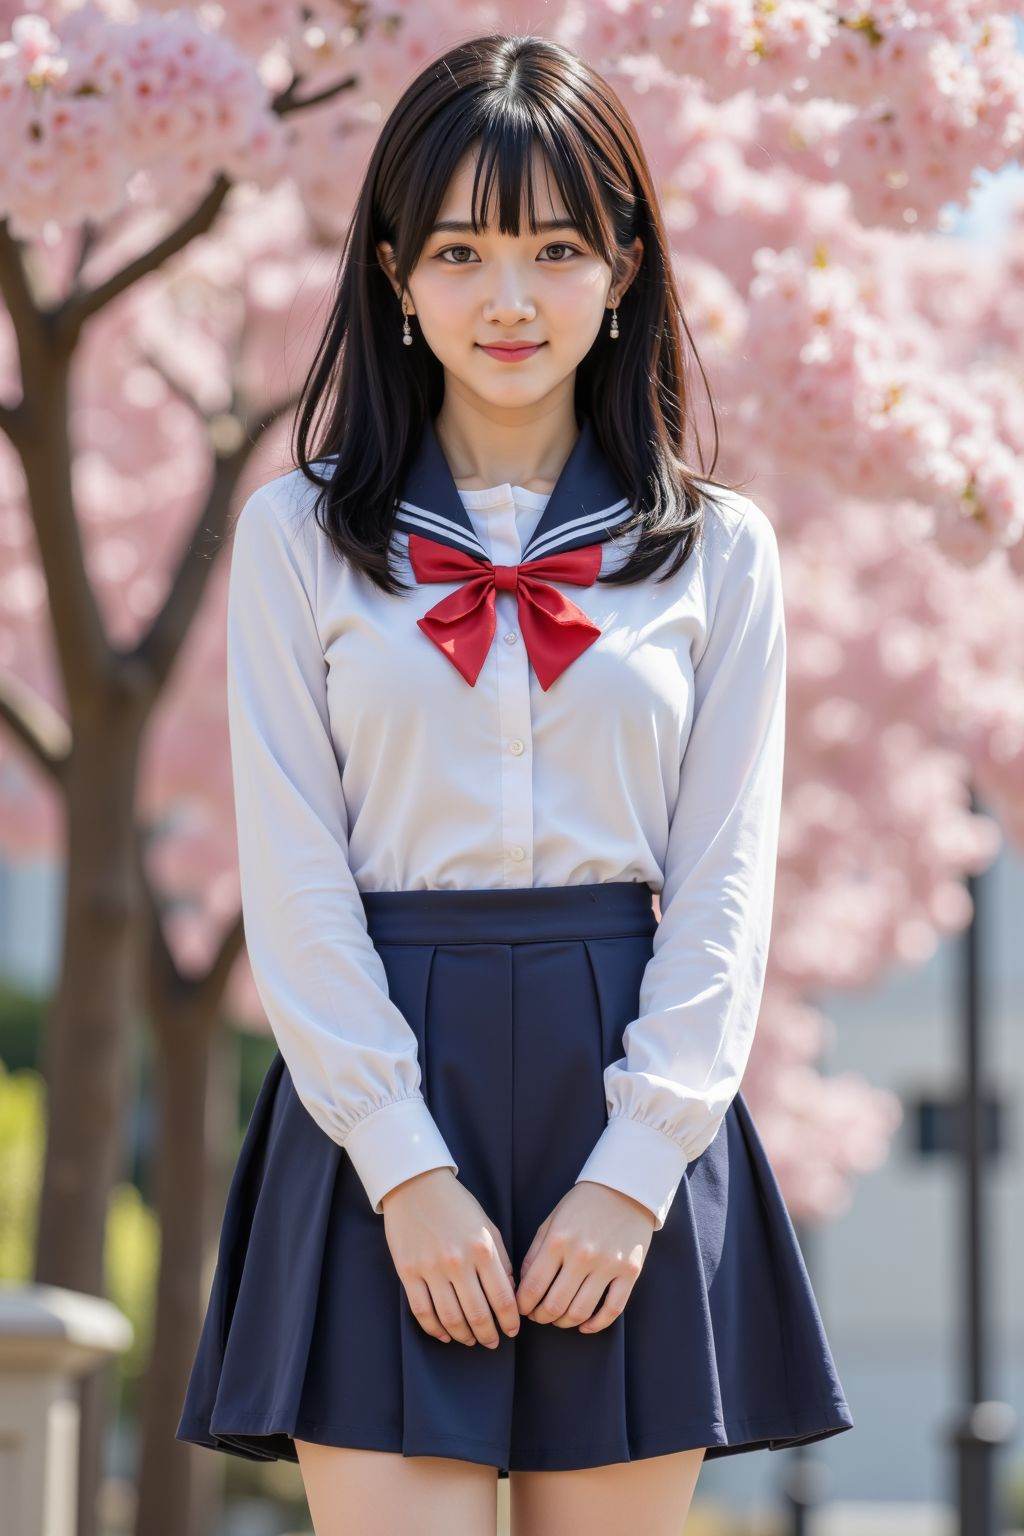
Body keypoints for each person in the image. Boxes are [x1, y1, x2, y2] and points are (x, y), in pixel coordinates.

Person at [176, 31, 853, 1535]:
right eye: (465, 249)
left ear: (623, 270)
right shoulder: (297, 539)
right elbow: (292, 875)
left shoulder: (718, 552)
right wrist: (402, 1168)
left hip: (623, 1090)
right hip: (380, 1101)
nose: (509, 298)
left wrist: (637, 1168)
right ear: (397, 274)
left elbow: (727, 881)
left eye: (556, 248)